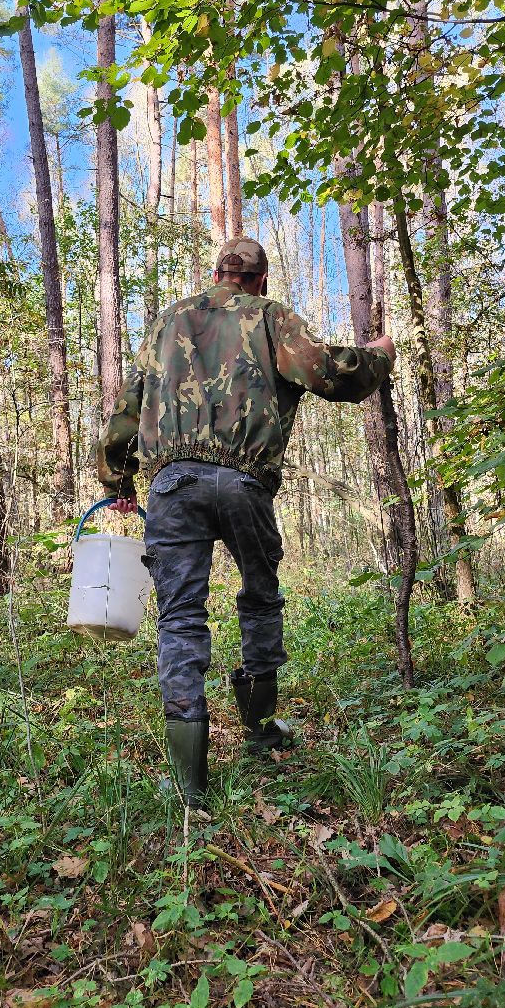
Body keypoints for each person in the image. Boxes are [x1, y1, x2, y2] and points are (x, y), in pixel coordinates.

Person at [97, 237, 396, 808]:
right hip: (244, 483)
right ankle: (259, 732)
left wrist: (119, 481)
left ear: (216, 275)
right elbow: (332, 375)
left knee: (180, 618)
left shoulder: (170, 320)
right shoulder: (270, 316)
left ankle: (190, 786)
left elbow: (127, 408)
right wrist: (378, 353)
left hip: (172, 484)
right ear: (260, 280)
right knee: (259, 597)